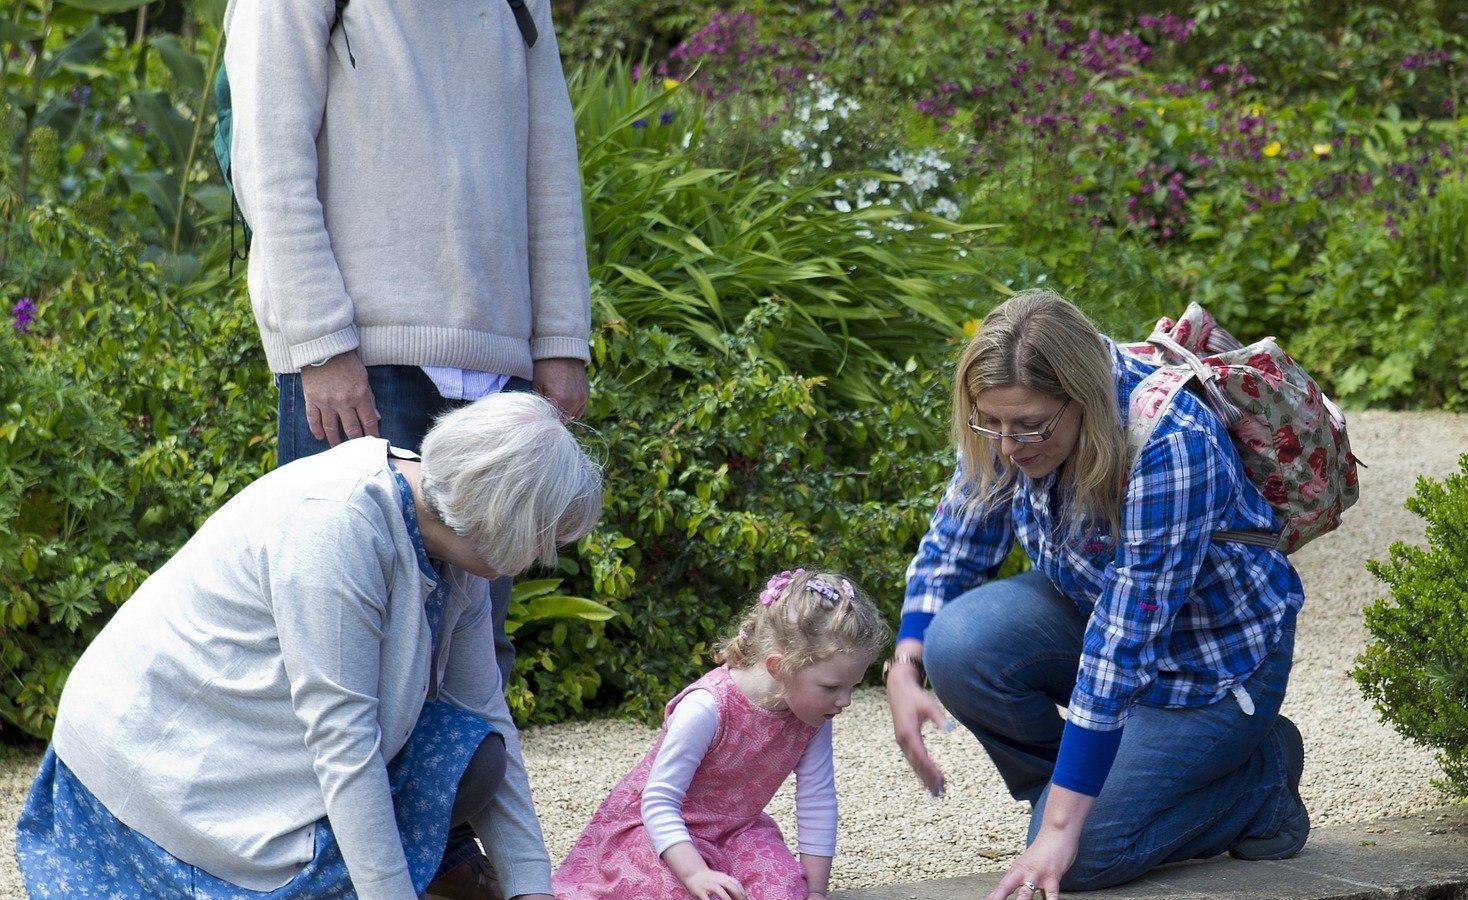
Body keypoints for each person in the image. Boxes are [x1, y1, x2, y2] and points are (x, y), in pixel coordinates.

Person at [222, 1, 592, 889]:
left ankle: (437, 856)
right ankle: (318, 868)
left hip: (497, 362)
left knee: (475, 654)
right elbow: (269, 156)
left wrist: (561, 338)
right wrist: (319, 343)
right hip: (360, 355)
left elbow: (551, 162)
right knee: (335, 651)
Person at [15, 392, 601, 900]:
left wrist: (531, 886)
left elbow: (482, 710)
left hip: (251, 740)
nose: (543, 556)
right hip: (156, 770)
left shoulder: (456, 539)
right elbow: (343, 743)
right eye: (544, 539)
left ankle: (424, 871)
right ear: (502, 522)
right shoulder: (337, 527)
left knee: (477, 755)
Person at [884, 291, 1309, 898]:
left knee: (1084, 861)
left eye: (1029, 426)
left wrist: (1063, 827)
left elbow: (1123, 641)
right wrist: (907, 662)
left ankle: (1261, 781)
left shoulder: (1169, 440)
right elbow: (957, 541)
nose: (1008, 446)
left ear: (1081, 398)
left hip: (1211, 669)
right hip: (1095, 612)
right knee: (956, 644)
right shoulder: (1014, 414)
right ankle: (1095, 798)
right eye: (991, 424)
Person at [552, 568, 889, 900]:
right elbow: (658, 802)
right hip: (659, 832)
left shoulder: (813, 715)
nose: (844, 701)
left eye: (852, 687)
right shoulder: (706, 708)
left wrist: (815, 892)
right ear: (778, 666)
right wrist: (695, 872)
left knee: (784, 889)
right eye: (832, 687)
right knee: (672, 891)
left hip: (736, 832)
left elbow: (816, 800)